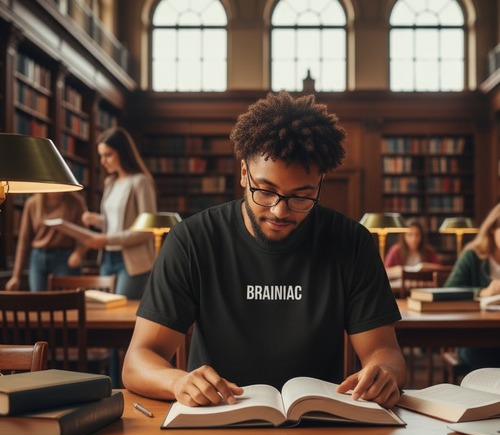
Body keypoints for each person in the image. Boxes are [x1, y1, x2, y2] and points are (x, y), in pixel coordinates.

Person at [122, 91, 406, 409]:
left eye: (301, 196)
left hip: (320, 424)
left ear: (320, 184)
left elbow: (386, 353)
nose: (279, 211)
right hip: (216, 419)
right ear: (244, 174)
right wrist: (177, 381)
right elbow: (138, 361)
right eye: (266, 191)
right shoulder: (191, 240)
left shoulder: (353, 243)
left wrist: (383, 374)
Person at [82, 127, 157, 299]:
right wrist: (98, 220)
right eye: (101, 156)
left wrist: (106, 239)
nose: (103, 161)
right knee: (104, 310)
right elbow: (117, 222)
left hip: (132, 261)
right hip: (107, 257)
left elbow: (147, 230)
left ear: (123, 153)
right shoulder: (110, 182)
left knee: (121, 312)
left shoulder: (140, 182)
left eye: (108, 155)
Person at [444, 203, 500, 370]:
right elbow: (449, 289)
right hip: (477, 337)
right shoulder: (473, 255)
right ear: (492, 228)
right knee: (485, 359)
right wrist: (483, 292)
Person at [5, 192, 87, 292]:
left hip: (65, 258)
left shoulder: (75, 202)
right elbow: (24, 241)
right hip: (38, 258)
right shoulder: (32, 203)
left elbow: (84, 235)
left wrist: (78, 253)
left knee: (67, 300)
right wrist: (16, 276)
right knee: (39, 301)